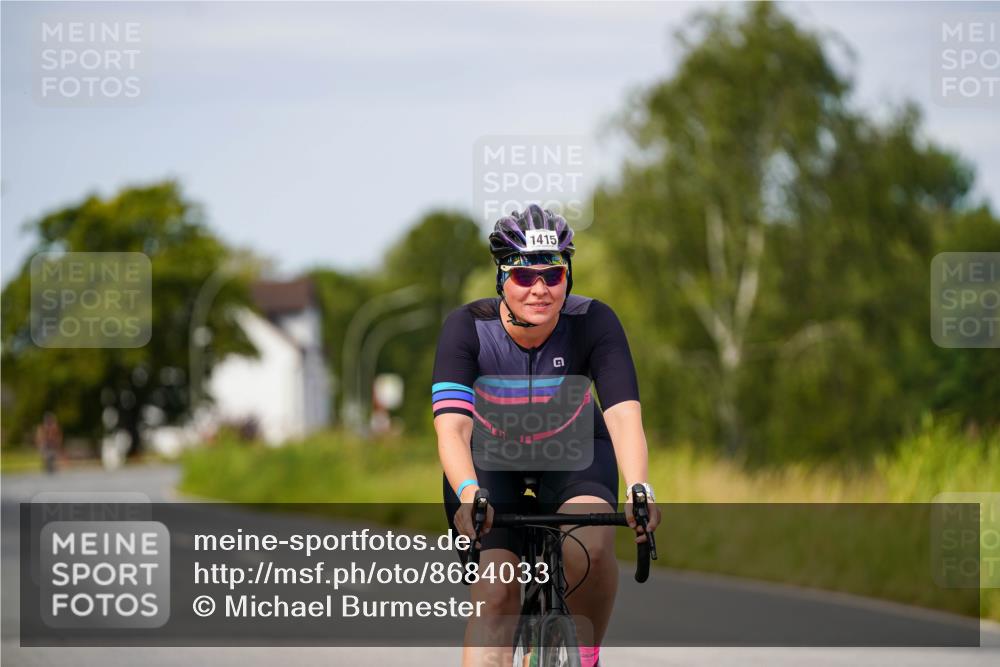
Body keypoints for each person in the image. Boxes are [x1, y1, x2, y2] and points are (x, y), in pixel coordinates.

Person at [433, 205, 661, 666]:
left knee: (593, 550)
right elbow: (453, 428)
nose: (539, 289)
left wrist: (639, 485)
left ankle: (586, 653)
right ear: (501, 278)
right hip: (489, 461)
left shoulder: (593, 321)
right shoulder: (468, 327)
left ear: (567, 275)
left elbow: (622, 415)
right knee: (497, 592)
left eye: (552, 275)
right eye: (524, 276)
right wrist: (468, 492)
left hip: (574, 450)